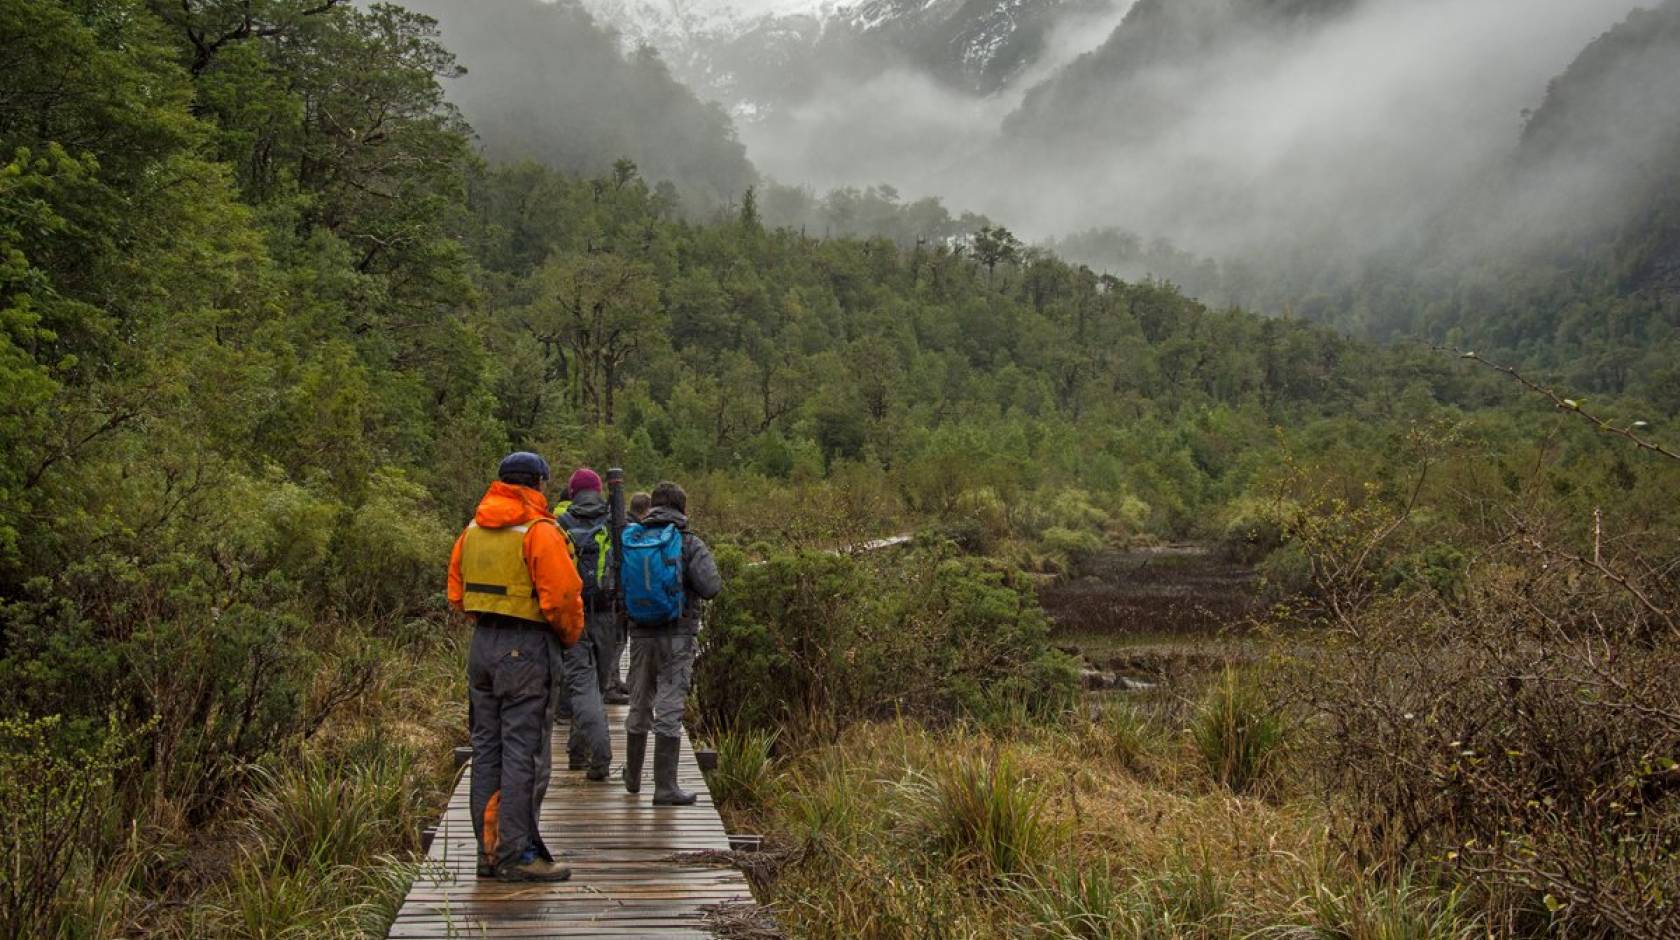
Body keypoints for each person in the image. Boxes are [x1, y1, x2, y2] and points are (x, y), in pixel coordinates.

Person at [447, 452, 583, 882]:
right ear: (539, 484)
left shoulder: (471, 531)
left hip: (482, 646)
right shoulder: (540, 532)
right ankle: (518, 855)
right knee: (523, 751)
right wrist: (565, 638)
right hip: (526, 647)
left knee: (487, 750)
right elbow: (562, 600)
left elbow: (456, 594)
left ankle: (489, 854)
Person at [620, 482, 722, 805]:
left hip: (639, 634)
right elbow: (710, 586)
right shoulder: (688, 541)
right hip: (678, 634)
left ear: (652, 507)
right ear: (683, 508)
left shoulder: (633, 539)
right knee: (669, 703)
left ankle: (632, 777)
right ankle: (665, 787)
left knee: (639, 698)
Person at [555, 468, 615, 779]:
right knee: (596, 687)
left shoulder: (559, 523)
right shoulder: (613, 521)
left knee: (580, 684)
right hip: (608, 616)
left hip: (572, 613)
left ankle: (582, 751)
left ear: (573, 492)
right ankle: (599, 754)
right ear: (599, 490)